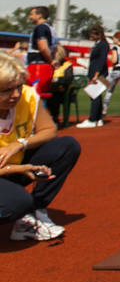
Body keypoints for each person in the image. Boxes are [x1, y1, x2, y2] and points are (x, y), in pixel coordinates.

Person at [0, 51, 81, 241]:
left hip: (11, 167)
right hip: (9, 169)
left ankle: (34, 213)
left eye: (19, 87)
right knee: (16, 203)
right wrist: (21, 168)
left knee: (67, 146)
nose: (16, 94)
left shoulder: (27, 97)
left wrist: (20, 144)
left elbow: (49, 130)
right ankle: (22, 210)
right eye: (6, 90)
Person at [77, 24, 109, 128]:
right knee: (96, 95)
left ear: (98, 34)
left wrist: (96, 75)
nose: (90, 37)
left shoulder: (103, 44)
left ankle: (92, 119)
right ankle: (98, 118)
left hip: (98, 73)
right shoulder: (98, 43)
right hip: (95, 72)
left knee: (94, 95)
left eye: (92, 35)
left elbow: (102, 60)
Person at [25, 5, 56, 95]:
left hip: (38, 66)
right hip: (44, 65)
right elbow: (56, 48)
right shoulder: (50, 29)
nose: (30, 17)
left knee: (34, 94)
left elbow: (43, 47)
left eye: (32, 14)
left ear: (40, 15)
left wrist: (51, 61)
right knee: (41, 94)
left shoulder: (41, 28)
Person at [102, 31, 120, 118]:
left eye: (114, 38)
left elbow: (114, 60)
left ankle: (104, 109)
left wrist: (110, 59)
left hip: (117, 70)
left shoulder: (115, 47)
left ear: (118, 39)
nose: (113, 40)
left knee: (109, 89)